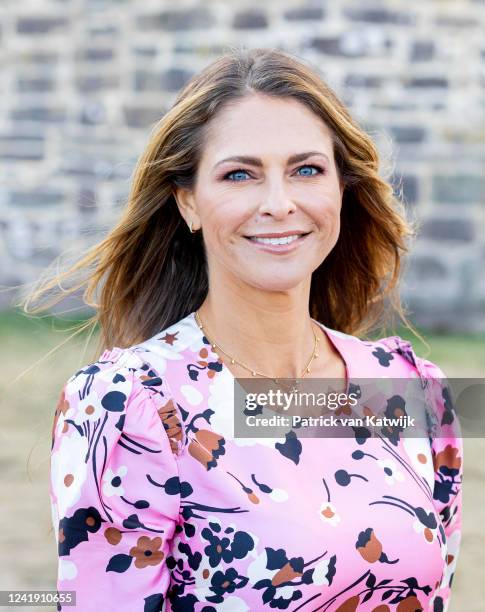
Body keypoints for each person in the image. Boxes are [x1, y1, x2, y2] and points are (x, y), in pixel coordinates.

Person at [36, 47, 462, 610]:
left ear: (341, 188)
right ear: (187, 201)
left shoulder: (407, 390)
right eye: (240, 174)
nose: (279, 204)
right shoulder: (131, 405)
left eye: (306, 170)